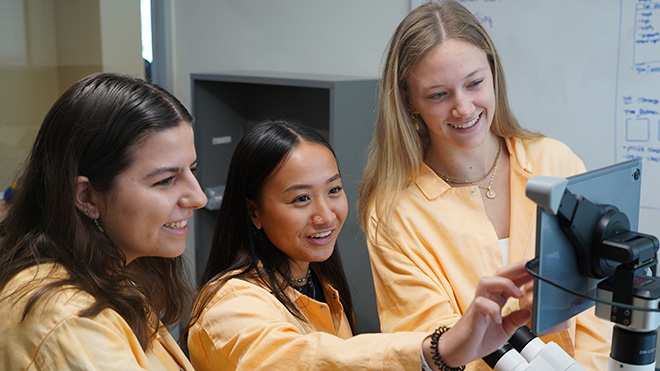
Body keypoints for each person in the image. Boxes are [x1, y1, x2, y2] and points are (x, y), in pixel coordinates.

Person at [358, 1, 610, 370]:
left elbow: (599, 320)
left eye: (474, 83)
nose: (463, 108)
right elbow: (428, 347)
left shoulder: (556, 163)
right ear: (408, 102)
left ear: (494, 73)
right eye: (438, 95)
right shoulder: (395, 212)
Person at [187, 119, 535, 371]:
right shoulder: (229, 307)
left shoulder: (320, 284)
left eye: (334, 190)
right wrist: (438, 349)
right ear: (254, 211)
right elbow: (303, 359)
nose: (326, 215)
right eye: (301, 199)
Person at [0, 72, 207, 370]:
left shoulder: (107, 274)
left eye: (193, 170)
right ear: (87, 197)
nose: (198, 197)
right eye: (165, 180)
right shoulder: (67, 319)